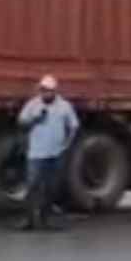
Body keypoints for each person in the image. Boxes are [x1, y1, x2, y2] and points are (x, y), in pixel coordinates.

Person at [17, 74, 79, 230]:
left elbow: (74, 126)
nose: (46, 94)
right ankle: (29, 220)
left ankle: (45, 220)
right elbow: (21, 122)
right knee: (32, 186)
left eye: (49, 91)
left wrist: (67, 144)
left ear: (55, 91)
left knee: (51, 188)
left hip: (55, 153)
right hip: (36, 153)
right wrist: (35, 120)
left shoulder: (64, 106)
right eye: (43, 91)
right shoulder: (33, 105)